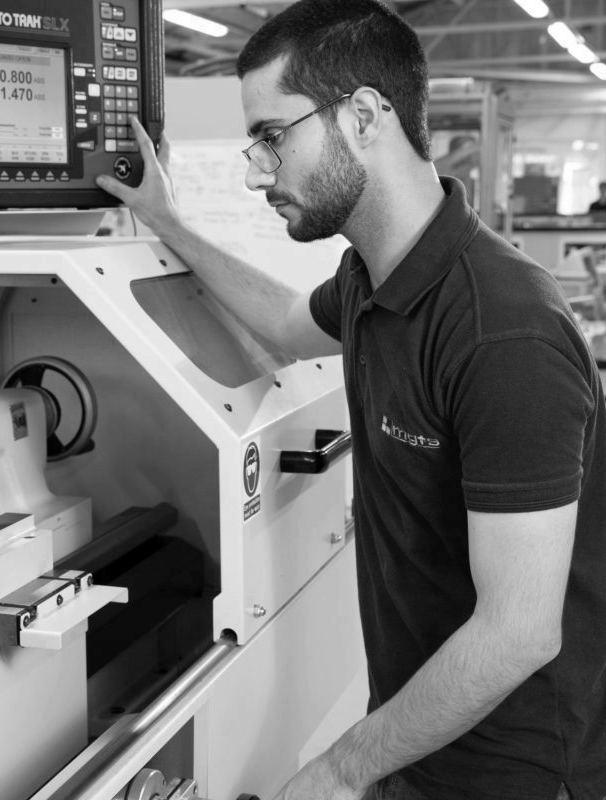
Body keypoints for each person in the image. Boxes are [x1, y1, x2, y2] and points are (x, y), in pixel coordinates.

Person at [95, 1, 606, 798]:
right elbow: (284, 321)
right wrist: (168, 221)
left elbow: (518, 632)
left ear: (364, 114)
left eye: (272, 137)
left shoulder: (503, 333)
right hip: (425, 736)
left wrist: (342, 767)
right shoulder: (373, 279)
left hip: (519, 767)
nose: (257, 169)